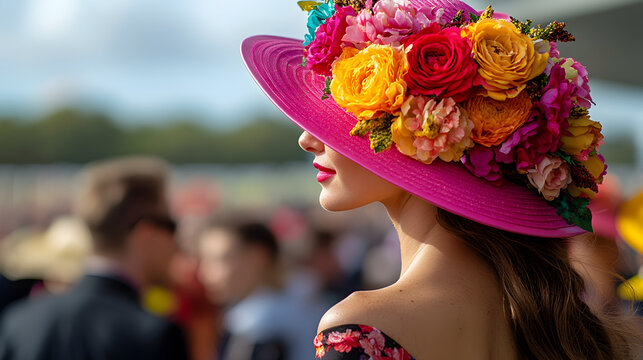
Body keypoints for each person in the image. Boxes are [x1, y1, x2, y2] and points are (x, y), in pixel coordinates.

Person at [241, 0, 639, 358]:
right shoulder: (555, 322)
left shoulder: (362, 326)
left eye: (342, 105)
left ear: (425, 126)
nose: (307, 138)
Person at [0, 156, 189, 360]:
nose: (177, 242)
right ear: (146, 232)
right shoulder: (154, 334)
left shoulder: (20, 322)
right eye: (172, 225)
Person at [198, 219, 317, 360]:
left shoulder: (260, 323)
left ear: (257, 256)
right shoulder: (302, 306)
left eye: (219, 259)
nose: (203, 272)